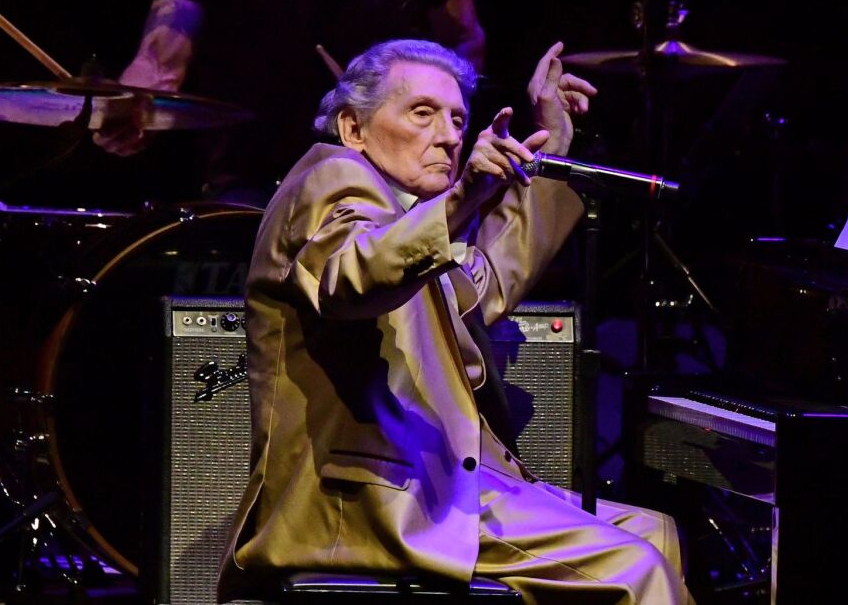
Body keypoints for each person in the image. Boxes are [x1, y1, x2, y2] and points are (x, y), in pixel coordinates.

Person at [216, 39, 693, 605]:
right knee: (635, 568)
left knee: (655, 532)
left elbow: (487, 281)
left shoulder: (405, 221)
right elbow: (352, 277)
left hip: (437, 486)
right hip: (366, 500)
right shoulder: (333, 178)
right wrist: (462, 198)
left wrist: (554, 143)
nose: (448, 135)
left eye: (458, 119)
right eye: (422, 113)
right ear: (353, 128)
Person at [94, 0, 485, 206]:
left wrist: (438, 127)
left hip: (382, 181)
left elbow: (465, 39)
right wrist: (133, 103)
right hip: (250, 180)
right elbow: (163, 51)